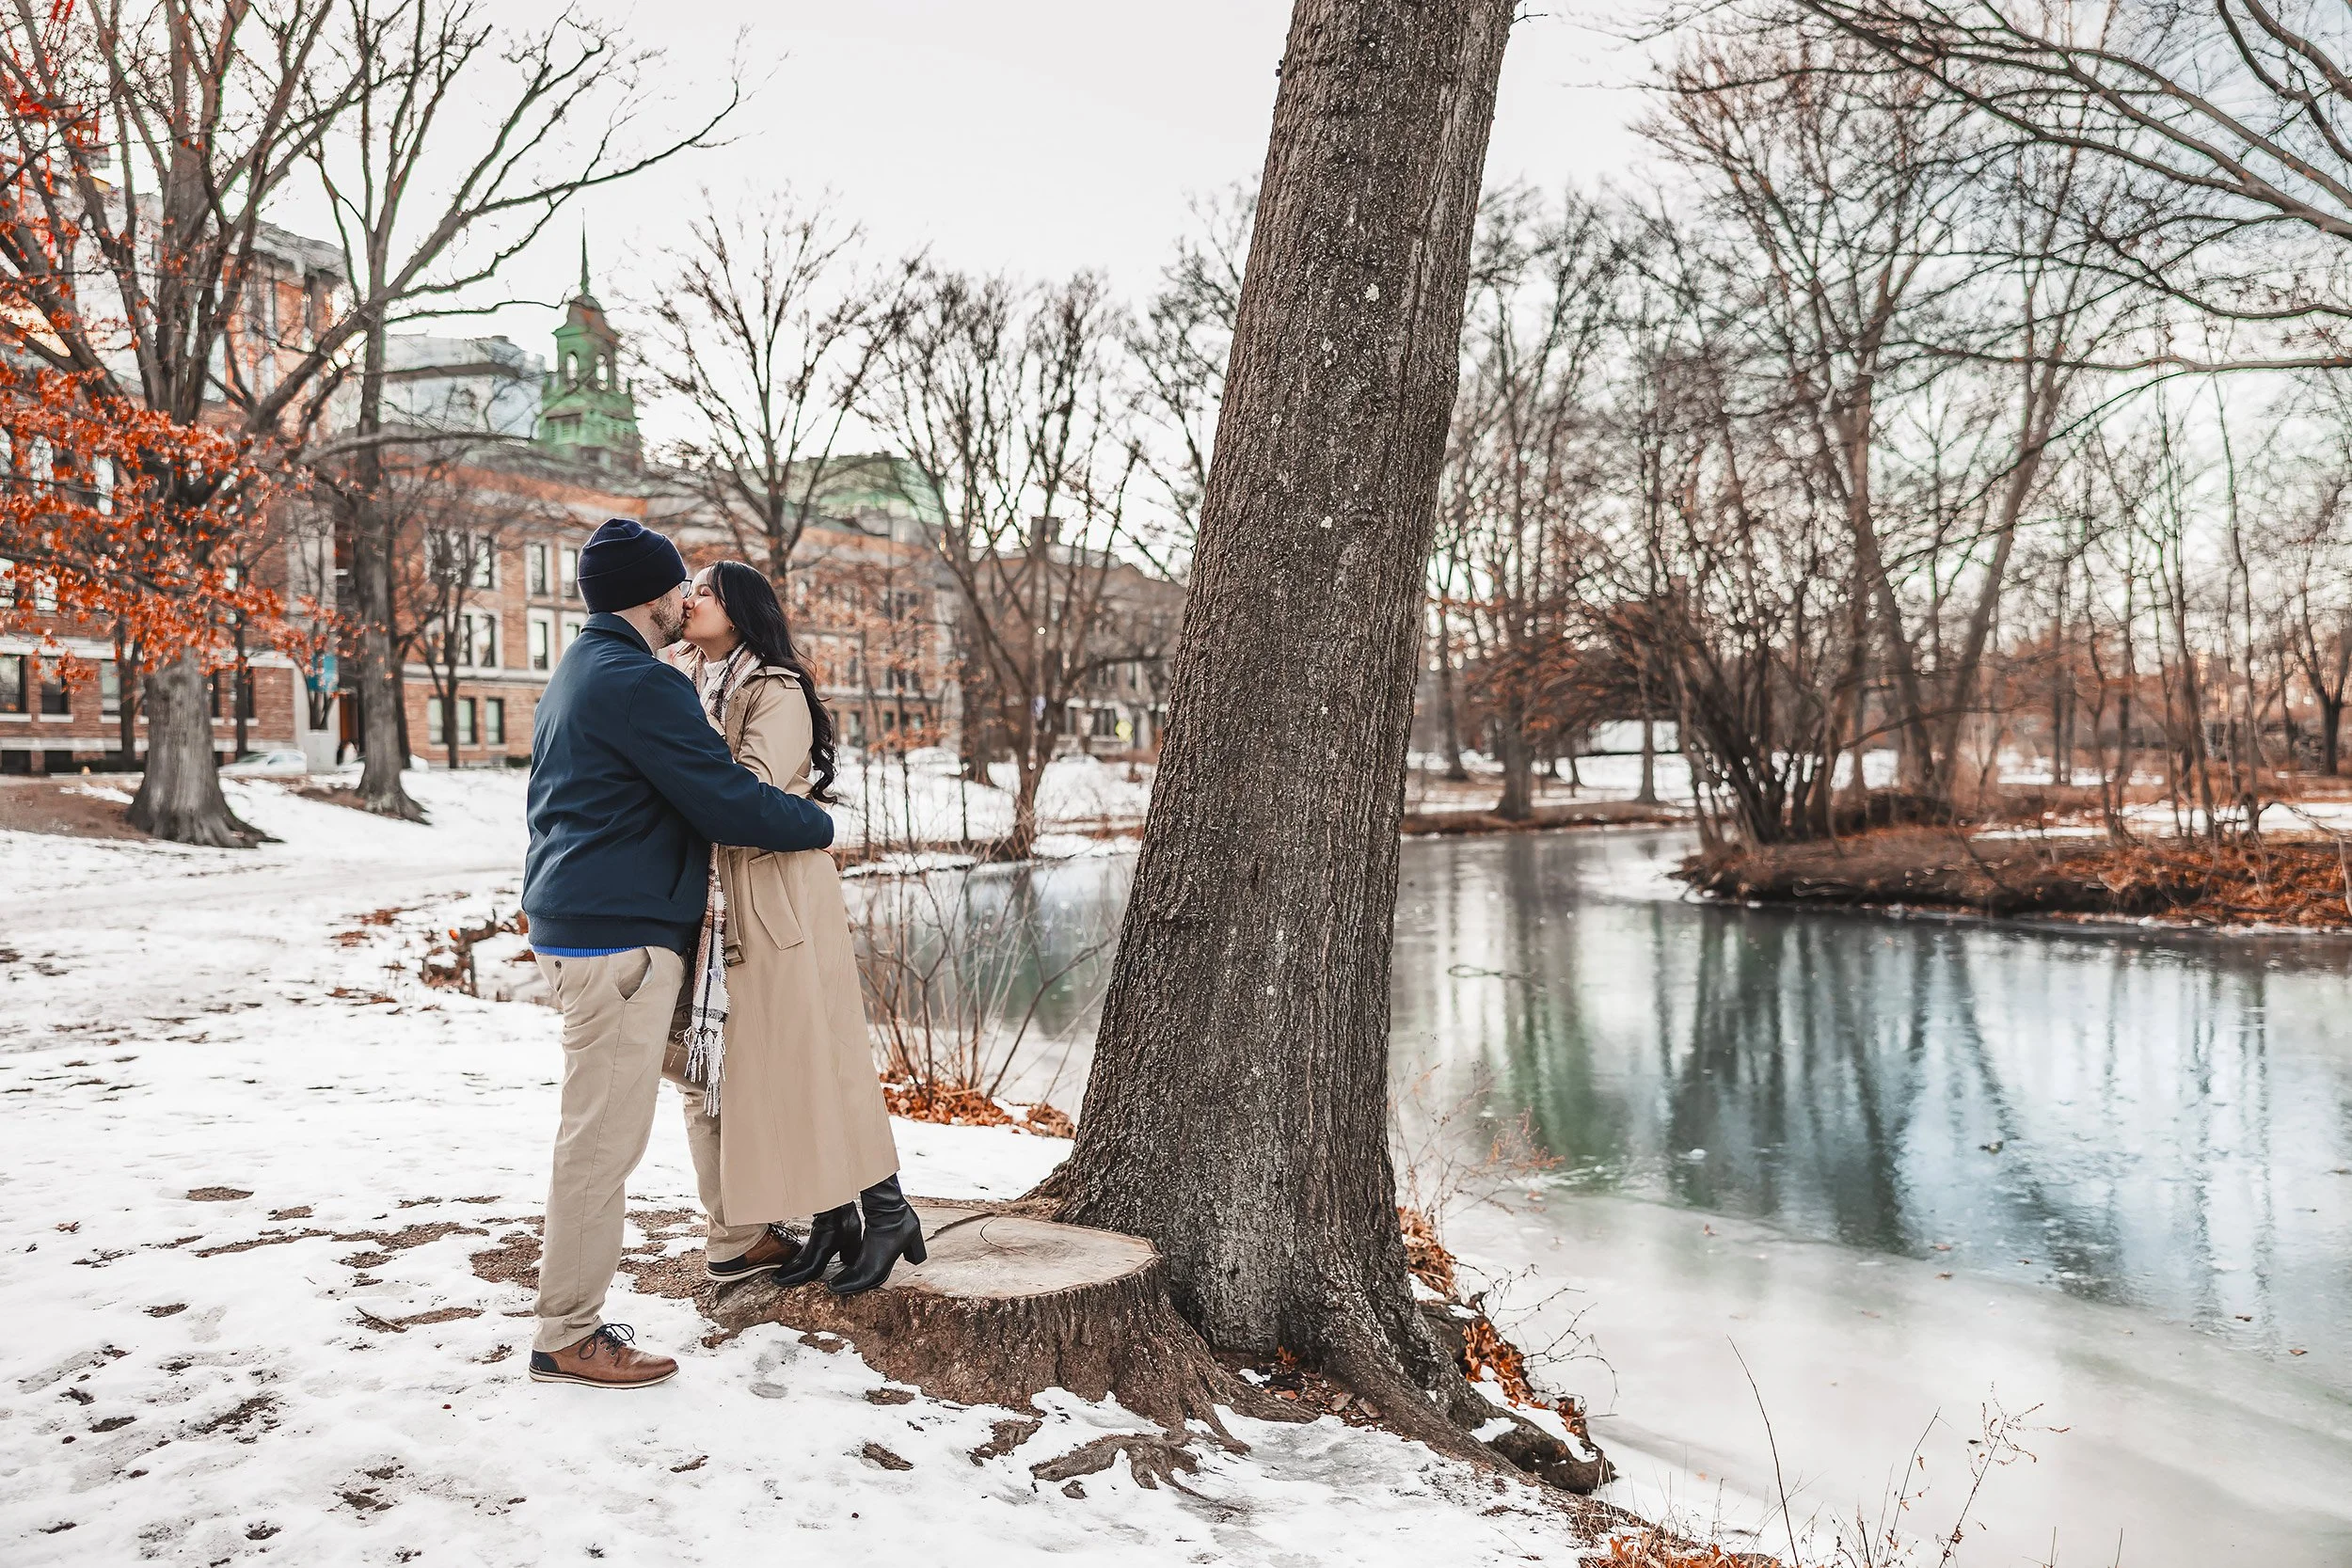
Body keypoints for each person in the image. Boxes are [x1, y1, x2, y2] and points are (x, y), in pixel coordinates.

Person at [520, 519, 836, 1391]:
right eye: (676, 586)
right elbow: (731, 798)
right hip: (616, 940)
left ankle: (737, 1236)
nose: (684, 597)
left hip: (584, 922)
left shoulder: (579, 670)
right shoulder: (639, 682)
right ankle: (567, 1333)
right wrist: (820, 821)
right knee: (600, 1144)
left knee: (704, 1075)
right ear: (651, 595)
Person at [668, 560, 922, 1297]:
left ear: (742, 610)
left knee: (818, 1056)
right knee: (780, 1064)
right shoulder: (695, 681)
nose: (692, 599)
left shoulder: (772, 689)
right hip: (733, 896)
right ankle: (832, 1215)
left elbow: (744, 791)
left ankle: (888, 1209)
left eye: (708, 591)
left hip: (779, 892)